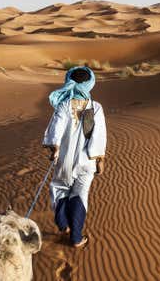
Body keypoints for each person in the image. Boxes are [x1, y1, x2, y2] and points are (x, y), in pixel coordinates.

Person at [42, 66, 107, 248]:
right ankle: (76, 238)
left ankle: (64, 227)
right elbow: (99, 135)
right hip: (87, 161)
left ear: (69, 80)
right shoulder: (96, 107)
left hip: (64, 160)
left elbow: (56, 128)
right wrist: (99, 159)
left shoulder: (63, 105)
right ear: (90, 83)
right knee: (80, 194)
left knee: (59, 190)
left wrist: (54, 148)